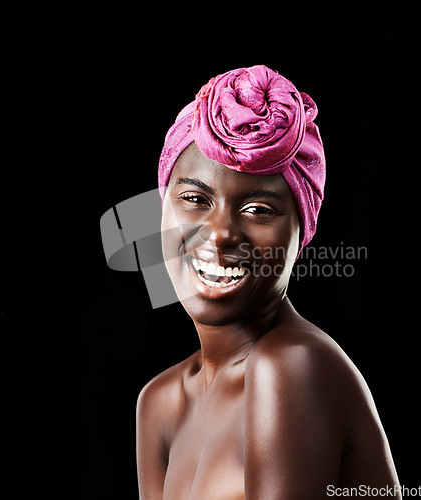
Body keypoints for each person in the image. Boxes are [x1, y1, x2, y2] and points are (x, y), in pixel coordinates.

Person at [136, 65, 400, 499]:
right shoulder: (160, 402)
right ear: (162, 211)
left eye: (259, 209)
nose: (220, 233)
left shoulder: (289, 366)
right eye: (195, 199)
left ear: (302, 232)